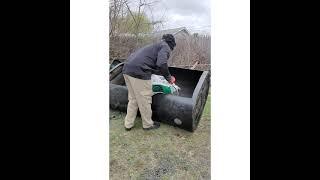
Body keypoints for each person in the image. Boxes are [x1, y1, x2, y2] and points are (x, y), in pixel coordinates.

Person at [122, 34, 176, 131]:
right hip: (139, 72)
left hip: (127, 69)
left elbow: (152, 63)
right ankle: (147, 124)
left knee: (133, 99)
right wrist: (169, 78)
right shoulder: (165, 47)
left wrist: (162, 75)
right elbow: (161, 63)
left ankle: (128, 124)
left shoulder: (155, 45)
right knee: (145, 99)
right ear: (172, 44)